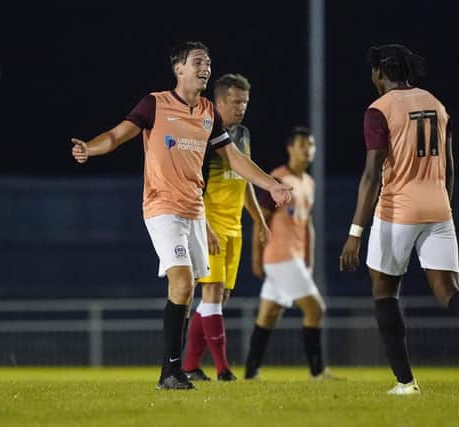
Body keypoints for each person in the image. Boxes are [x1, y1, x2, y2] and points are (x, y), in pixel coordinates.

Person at [70, 41, 292, 390]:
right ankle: (170, 372)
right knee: (183, 282)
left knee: (187, 294)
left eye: (208, 63)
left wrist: (271, 185)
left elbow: (234, 158)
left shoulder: (207, 111)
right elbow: (116, 135)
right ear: (179, 69)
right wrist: (89, 149)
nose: (206, 68)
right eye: (199, 62)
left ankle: (176, 369)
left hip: (194, 210)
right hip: (162, 207)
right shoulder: (155, 104)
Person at [339, 43, 459, 395]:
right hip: (439, 208)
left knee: (384, 293)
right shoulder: (436, 103)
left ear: (379, 73)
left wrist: (355, 231)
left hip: (397, 210)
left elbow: (371, 175)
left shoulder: (378, 110)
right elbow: (450, 164)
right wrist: (445, 206)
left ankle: (405, 383)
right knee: (449, 293)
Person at [182, 73, 269, 381]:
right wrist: (204, 228)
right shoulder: (203, 136)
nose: (241, 107)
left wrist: (260, 222)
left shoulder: (243, 134)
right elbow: (192, 187)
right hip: (211, 227)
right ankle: (223, 368)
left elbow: (244, 183)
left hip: (235, 229)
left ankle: (189, 365)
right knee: (213, 293)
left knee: (219, 298)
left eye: (245, 102)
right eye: (235, 102)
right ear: (218, 103)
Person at [244, 126, 336, 380]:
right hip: (280, 256)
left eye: (312, 145)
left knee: (269, 314)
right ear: (290, 148)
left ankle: (251, 372)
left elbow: (307, 224)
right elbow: (261, 219)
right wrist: (255, 257)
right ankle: (317, 372)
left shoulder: (308, 183)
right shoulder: (279, 179)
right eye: (303, 144)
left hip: (294, 258)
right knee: (316, 310)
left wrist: (310, 257)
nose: (309, 150)